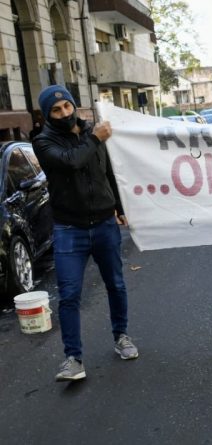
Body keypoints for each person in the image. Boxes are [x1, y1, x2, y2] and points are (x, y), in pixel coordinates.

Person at [32, 85, 138, 382]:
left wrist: (119, 207)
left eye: (67, 106)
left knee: (115, 284)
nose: (64, 113)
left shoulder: (95, 134)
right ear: (47, 115)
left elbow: (109, 173)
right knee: (68, 295)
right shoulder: (43, 142)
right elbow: (71, 160)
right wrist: (95, 138)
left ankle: (122, 337)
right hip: (69, 230)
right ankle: (73, 359)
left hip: (104, 224)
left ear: (74, 105)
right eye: (56, 110)